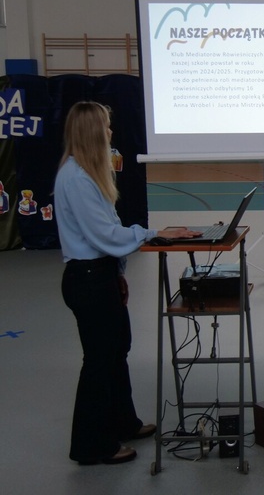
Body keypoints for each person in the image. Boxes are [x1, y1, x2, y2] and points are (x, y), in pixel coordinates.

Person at [55, 101, 200, 465]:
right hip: (87, 279)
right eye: (105, 126)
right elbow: (104, 235)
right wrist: (154, 234)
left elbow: (106, 233)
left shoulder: (88, 174)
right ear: (92, 132)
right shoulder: (76, 179)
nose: (110, 132)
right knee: (100, 360)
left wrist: (117, 273)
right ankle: (92, 446)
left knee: (117, 350)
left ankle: (123, 422)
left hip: (100, 275)